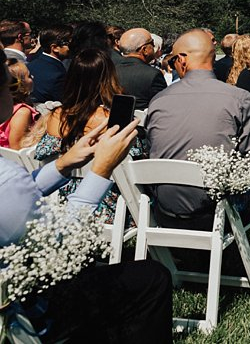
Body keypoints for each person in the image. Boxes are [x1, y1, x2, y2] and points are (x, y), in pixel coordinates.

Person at [0, 59, 173, 343]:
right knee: (152, 278)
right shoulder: (6, 178)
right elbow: (60, 245)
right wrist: (100, 171)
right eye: (7, 84)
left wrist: (62, 165)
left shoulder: (53, 120)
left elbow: (15, 197)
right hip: (22, 308)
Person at [146, 30, 250, 285]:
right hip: (216, 212)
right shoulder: (238, 98)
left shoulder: (158, 101)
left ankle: (192, 258)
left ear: (182, 60)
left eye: (172, 59)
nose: (172, 64)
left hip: (165, 211)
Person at [33, 48, 149, 222]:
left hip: (59, 199)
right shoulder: (114, 119)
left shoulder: (55, 116)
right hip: (107, 203)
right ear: (109, 78)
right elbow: (135, 162)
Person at [114, 27, 167, 106]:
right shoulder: (153, 75)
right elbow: (163, 105)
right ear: (144, 49)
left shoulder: (111, 70)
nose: (153, 47)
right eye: (152, 43)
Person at [27, 24, 70, 103]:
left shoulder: (30, 64)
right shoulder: (57, 74)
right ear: (55, 48)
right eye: (68, 44)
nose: (72, 47)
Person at [0, 58, 38, 148]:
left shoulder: (4, 107)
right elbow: (16, 148)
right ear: (20, 84)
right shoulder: (22, 112)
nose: (32, 77)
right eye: (28, 76)